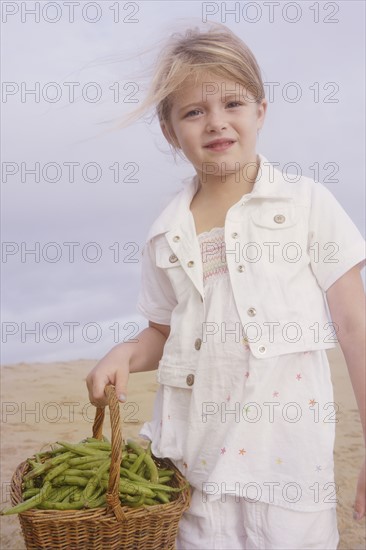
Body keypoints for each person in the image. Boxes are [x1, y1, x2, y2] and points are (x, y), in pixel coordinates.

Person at [86, 22, 365, 549]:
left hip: (287, 475)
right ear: (171, 130)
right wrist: (126, 351)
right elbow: (162, 331)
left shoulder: (307, 205)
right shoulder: (164, 234)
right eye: (194, 111)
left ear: (261, 110)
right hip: (195, 478)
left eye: (232, 103)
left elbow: (355, 327)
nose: (217, 122)